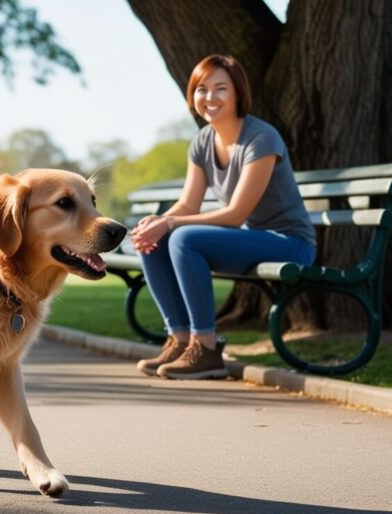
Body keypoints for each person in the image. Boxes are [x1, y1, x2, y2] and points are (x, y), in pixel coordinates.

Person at [131, 54, 316, 380]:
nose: (210, 98)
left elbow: (235, 214)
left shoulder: (261, 139)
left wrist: (170, 223)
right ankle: (181, 339)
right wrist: (155, 222)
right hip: (252, 239)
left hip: (289, 243)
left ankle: (206, 349)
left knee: (182, 237)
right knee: (155, 238)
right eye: (202, 89)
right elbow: (188, 204)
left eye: (220, 89)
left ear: (237, 93)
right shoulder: (202, 141)